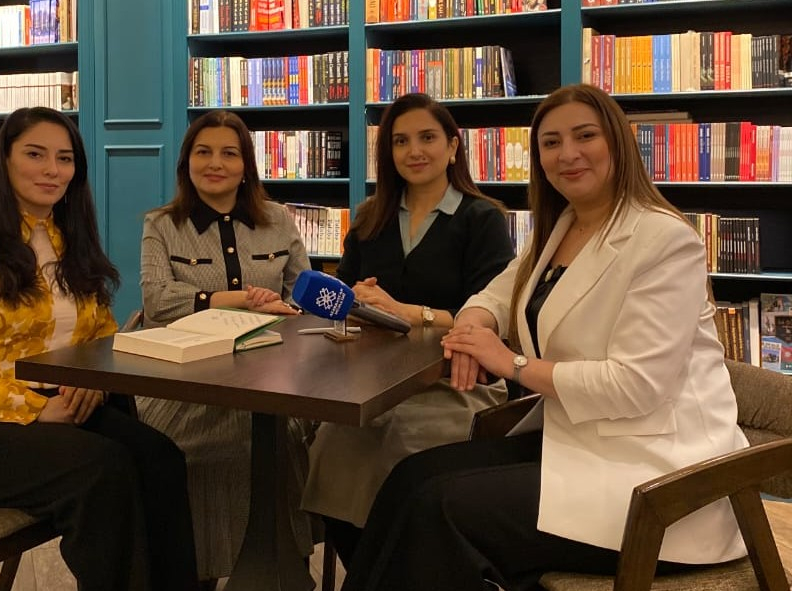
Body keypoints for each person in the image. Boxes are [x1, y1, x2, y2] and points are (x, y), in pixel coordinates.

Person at [341, 83, 749, 591]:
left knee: (437, 508)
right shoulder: (561, 228)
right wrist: (472, 328)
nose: (567, 154)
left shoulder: (665, 240)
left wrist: (509, 362)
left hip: (659, 478)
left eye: (585, 136)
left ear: (618, 142)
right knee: (409, 477)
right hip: (578, 441)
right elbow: (493, 296)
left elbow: (636, 386)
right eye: (551, 143)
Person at [0, 107, 198, 591]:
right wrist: (33, 407)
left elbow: (101, 334)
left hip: (65, 401)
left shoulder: (70, 242)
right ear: (5, 161)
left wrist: (92, 382)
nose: (52, 170)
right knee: (103, 470)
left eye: (64, 159)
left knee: (161, 457)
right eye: (35, 154)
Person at [301, 92, 516, 567]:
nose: (414, 151)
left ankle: (403, 569)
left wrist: (408, 311)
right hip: (374, 381)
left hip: (455, 381)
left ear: (453, 147)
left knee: (402, 457)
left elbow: (492, 313)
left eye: (427, 138)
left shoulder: (482, 219)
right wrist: (358, 299)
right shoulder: (369, 216)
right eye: (400, 141)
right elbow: (347, 290)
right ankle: (374, 572)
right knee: (330, 449)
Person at [138, 109, 314, 582]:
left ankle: (281, 569)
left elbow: (304, 295)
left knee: (283, 443)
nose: (215, 163)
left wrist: (289, 309)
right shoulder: (161, 224)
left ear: (246, 166)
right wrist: (232, 300)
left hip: (271, 378)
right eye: (203, 152)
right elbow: (156, 301)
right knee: (195, 449)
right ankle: (193, 569)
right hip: (183, 383)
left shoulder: (278, 220)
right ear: (186, 162)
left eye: (229, 153)